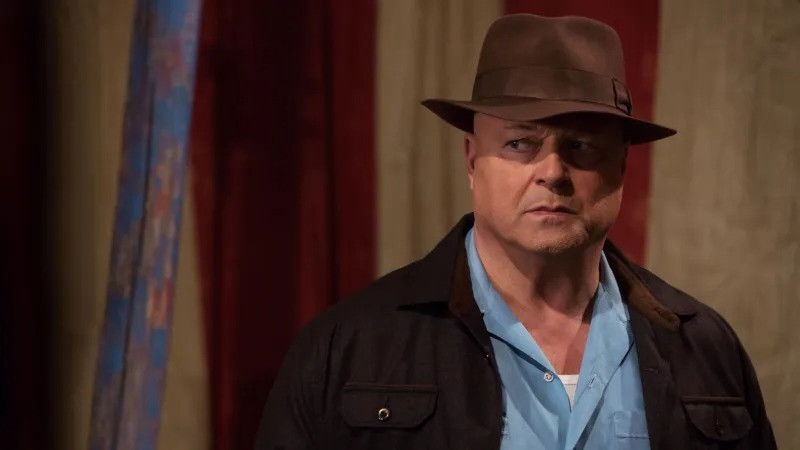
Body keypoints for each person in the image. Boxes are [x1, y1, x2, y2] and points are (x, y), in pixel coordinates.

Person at [255, 14, 776, 450]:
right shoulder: (349, 347)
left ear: (621, 168)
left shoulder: (705, 349)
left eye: (581, 146)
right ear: (471, 160)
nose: (552, 172)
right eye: (521, 143)